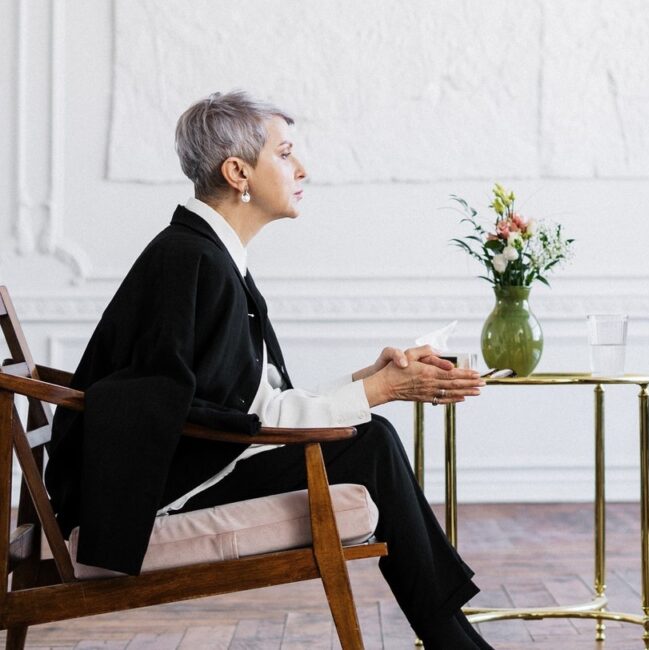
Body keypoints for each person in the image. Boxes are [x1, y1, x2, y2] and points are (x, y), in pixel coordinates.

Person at [45, 90, 493, 650]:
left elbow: (248, 407)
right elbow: (232, 423)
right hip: (157, 491)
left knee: (370, 437)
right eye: (284, 154)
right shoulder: (194, 260)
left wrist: (366, 381)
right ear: (238, 173)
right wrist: (380, 390)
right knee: (371, 442)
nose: (302, 168)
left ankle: (457, 643)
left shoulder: (204, 252)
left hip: (184, 463)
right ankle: (458, 644)